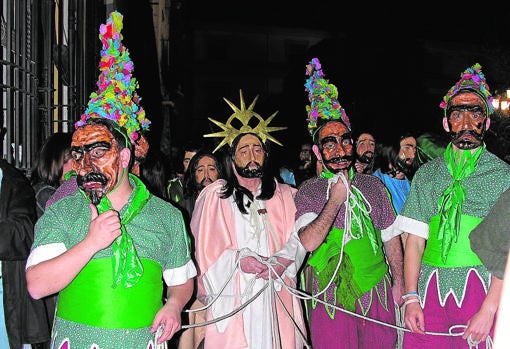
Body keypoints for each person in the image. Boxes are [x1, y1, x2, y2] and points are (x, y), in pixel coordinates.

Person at [25, 11, 196, 349]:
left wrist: (175, 305)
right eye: (78, 154)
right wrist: (91, 242)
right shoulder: (63, 209)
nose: (84, 164)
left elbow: (181, 281)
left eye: (97, 152)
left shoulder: (167, 216)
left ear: (124, 156)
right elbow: (36, 284)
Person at [392, 63, 510, 348]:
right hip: (428, 290)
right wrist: (411, 298)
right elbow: (415, 241)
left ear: (487, 123)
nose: (467, 124)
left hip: (481, 289)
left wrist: (490, 309)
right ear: (446, 123)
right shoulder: (427, 174)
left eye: (475, 114)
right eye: (457, 115)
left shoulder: (503, 176)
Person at [295, 57, 404, 349]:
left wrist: (399, 282)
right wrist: (334, 201)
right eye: (330, 143)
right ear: (318, 152)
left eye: (345, 140)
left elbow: (391, 238)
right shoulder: (309, 191)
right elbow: (307, 242)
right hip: (329, 293)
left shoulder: (373, 185)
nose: (341, 149)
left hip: (377, 289)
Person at [190, 90, 307, 348]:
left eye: (258, 150)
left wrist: (284, 258)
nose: (252, 156)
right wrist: (239, 261)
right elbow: (206, 252)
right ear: (232, 158)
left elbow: (300, 236)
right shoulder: (216, 197)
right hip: (236, 298)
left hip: (277, 295)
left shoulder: (287, 195)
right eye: (244, 151)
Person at [29, 131, 74, 348]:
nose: (79, 165)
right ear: (55, 161)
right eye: (72, 158)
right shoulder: (46, 195)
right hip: (45, 289)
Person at [178, 149, 224, 349]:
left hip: (222, 280)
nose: (206, 175)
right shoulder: (183, 206)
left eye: (212, 169)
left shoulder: (227, 202)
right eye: (200, 169)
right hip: (193, 281)